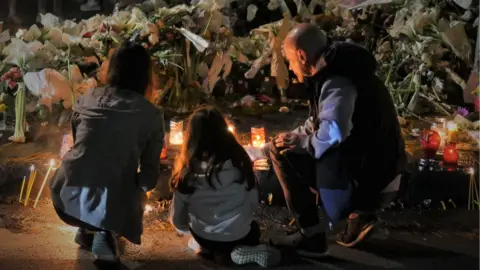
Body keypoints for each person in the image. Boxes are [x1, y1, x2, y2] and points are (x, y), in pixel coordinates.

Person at [263, 23, 406, 257]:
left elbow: (334, 131)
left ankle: (311, 235)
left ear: (301, 55)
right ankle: (359, 216)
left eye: (289, 60)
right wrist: (294, 136)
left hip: (370, 179)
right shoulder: (342, 71)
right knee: (287, 145)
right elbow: (319, 122)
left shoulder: (337, 80)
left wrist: (298, 143)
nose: (289, 67)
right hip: (383, 172)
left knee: (281, 154)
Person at [49, 41, 165, 262]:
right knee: (132, 188)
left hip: (64, 193)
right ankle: (106, 232)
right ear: (146, 76)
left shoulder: (87, 98)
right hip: (107, 202)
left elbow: (79, 145)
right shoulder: (150, 113)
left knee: (98, 172)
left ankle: (87, 228)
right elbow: (149, 178)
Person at [169, 106, 281, 268]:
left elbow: (177, 221)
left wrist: (194, 230)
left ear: (191, 138)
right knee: (253, 230)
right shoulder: (240, 164)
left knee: (199, 239)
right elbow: (252, 203)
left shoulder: (187, 174)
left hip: (204, 237)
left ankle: (209, 251)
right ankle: (236, 252)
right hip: (239, 235)